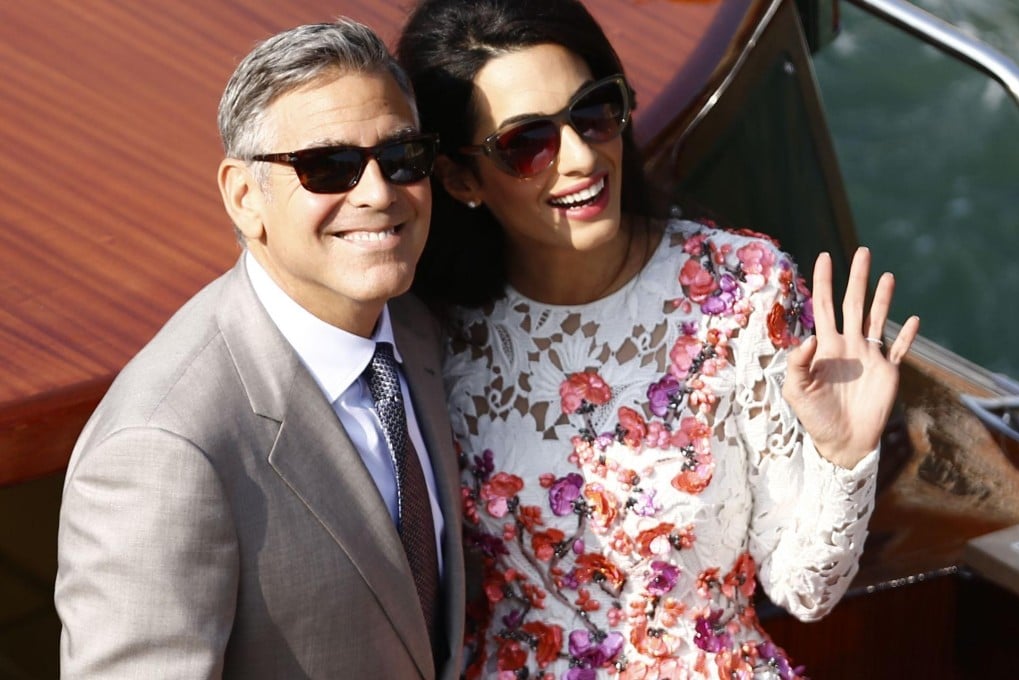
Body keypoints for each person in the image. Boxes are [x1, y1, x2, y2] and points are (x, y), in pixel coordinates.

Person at [396, 1, 920, 678]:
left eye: (593, 111)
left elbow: (804, 590)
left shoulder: (743, 290)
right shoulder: (433, 334)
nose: (582, 156)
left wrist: (843, 455)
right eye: (528, 142)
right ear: (462, 178)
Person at [54, 18, 464, 679]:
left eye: (400, 157)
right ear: (244, 197)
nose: (377, 192)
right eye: (327, 167)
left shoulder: (416, 329)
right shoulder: (160, 449)